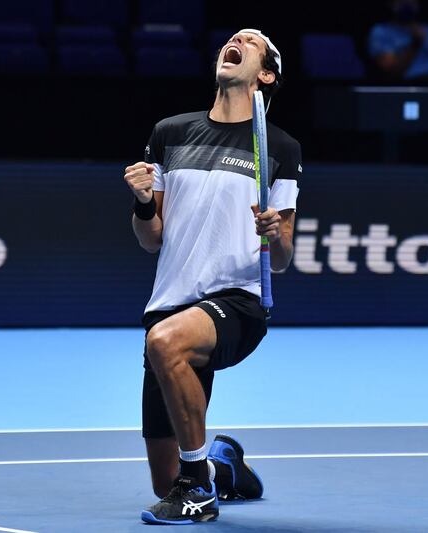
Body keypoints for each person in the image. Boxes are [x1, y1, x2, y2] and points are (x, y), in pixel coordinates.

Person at [123, 29, 302, 524]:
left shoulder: (279, 147)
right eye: (233, 36)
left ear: (265, 74)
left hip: (238, 301)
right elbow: (151, 238)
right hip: (169, 303)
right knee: (165, 481)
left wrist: (273, 233)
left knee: (166, 343)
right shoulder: (170, 132)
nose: (237, 39)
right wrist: (142, 202)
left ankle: (199, 490)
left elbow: (282, 257)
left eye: (253, 41)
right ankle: (223, 466)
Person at [368, 0, 428, 86]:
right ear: (391, 3)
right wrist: (415, 44)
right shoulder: (381, 31)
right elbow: (392, 72)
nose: (407, 4)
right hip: (400, 86)